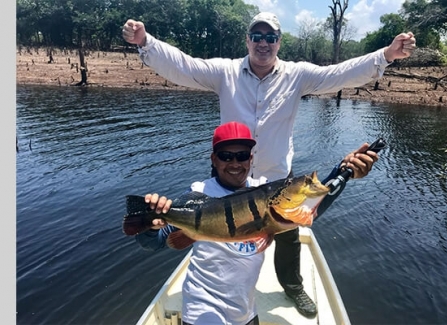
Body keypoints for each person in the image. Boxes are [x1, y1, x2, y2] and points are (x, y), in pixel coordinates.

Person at [122, 11, 411, 317]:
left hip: (278, 181)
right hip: (231, 174)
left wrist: (386, 55)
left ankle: (292, 284)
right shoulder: (225, 72)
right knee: (217, 236)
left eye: (270, 37)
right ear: (247, 40)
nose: (263, 43)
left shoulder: (297, 75)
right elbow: (184, 66)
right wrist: (145, 42)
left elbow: (339, 74)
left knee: (289, 238)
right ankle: (216, 289)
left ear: (278, 42)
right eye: (257, 36)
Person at [135, 121, 377, 325]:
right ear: (214, 159)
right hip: (202, 307)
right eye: (226, 156)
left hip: (246, 310)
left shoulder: (263, 191)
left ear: (251, 159)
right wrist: (149, 224)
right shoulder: (199, 193)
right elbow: (155, 242)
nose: (235, 163)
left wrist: (343, 173)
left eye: (242, 156)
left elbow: (310, 204)